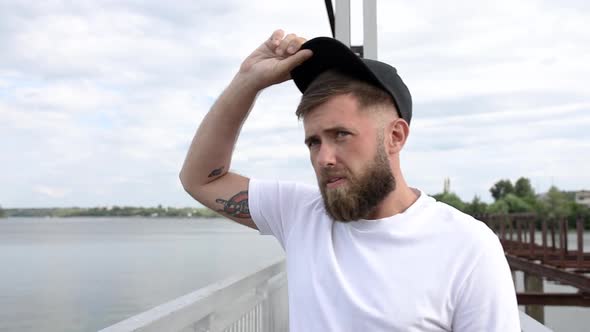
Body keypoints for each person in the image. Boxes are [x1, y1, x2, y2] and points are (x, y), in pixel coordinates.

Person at [180, 29, 520, 331]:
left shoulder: (467, 248)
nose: (323, 158)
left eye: (341, 134)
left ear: (395, 137)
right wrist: (248, 80)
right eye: (314, 141)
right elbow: (201, 179)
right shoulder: (301, 214)